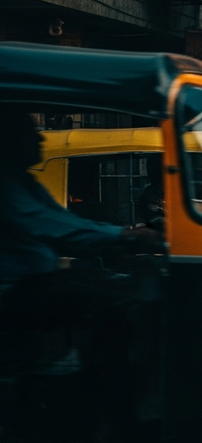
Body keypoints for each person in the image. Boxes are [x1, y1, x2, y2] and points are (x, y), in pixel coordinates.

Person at [0, 108, 160, 430]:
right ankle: (114, 411)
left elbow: (65, 226)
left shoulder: (25, 181)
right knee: (113, 308)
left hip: (38, 281)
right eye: (31, 134)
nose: (39, 140)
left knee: (119, 285)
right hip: (15, 290)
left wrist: (118, 245)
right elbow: (49, 226)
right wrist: (123, 235)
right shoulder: (6, 185)